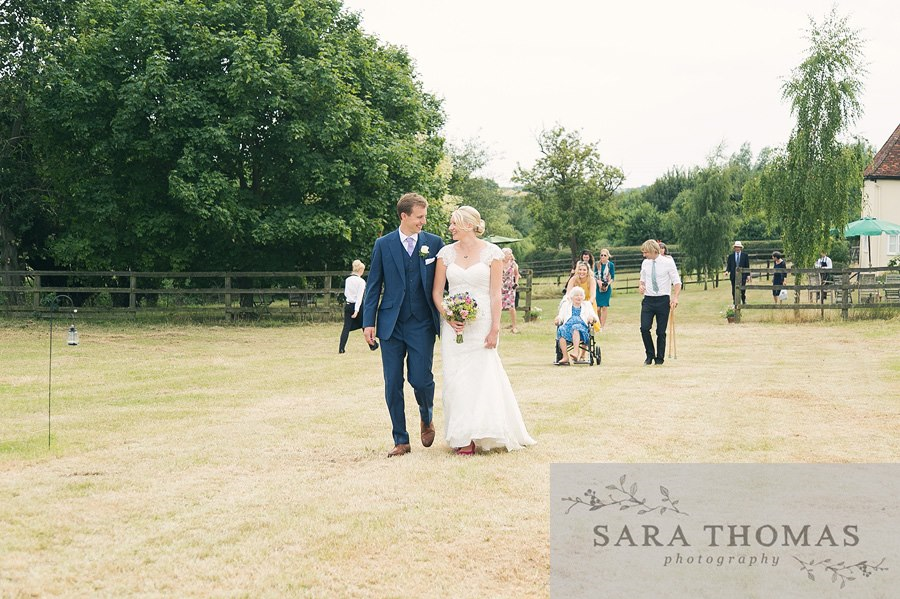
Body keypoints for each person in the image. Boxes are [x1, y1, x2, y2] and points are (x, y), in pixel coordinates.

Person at [431, 206, 535, 455]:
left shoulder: (492, 253)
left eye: (454, 223)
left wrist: (495, 328)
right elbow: (437, 292)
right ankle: (462, 437)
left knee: (483, 377)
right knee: (455, 379)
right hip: (454, 326)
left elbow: (495, 294)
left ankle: (484, 430)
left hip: (483, 324)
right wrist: (448, 316)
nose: (450, 228)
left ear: (468, 225)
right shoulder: (445, 254)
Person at [363, 193, 445, 458]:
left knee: (421, 379)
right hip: (391, 325)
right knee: (392, 383)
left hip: (422, 324)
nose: (424, 221)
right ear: (404, 216)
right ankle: (401, 439)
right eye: (419, 217)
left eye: (424, 216)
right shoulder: (383, 244)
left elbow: (446, 281)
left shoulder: (434, 243)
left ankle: (426, 416)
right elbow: (373, 285)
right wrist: (368, 322)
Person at [639, 239, 681, 365]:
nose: (644, 255)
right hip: (648, 300)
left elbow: (677, 282)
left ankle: (660, 358)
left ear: (653, 251)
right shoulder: (645, 263)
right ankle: (650, 355)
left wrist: (675, 297)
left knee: (661, 331)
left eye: (646, 252)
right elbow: (642, 279)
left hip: (663, 300)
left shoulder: (668, 262)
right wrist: (641, 286)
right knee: (644, 328)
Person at [554, 286, 598, 365]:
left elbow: (595, 317)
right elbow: (561, 316)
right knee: (561, 329)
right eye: (576, 295)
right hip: (568, 326)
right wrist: (558, 319)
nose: (579, 297)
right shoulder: (566, 305)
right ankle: (565, 357)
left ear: (583, 297)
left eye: (581, 295)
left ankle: (576, 352)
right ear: (572, 297)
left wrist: (591, 318)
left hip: (582, 328)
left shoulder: (587, 305)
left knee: (576, 327)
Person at [338, 260, 370, 353]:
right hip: (358, 305)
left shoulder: (348, 280)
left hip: (348, 304)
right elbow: (360, 297)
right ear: (360, 270)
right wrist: (356, 310)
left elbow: (346, 293)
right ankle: (372, 345)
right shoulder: (361, 281)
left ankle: (341, 348)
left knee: (346, 327)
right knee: (364, 325)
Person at [594, 249, 615, 331]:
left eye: (605, 255)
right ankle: (598, 323)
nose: (603, 257)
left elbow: (612, 277)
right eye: (601, 255)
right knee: (598, 308)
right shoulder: (597, 264)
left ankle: (602, 326)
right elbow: (595, 275)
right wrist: (599, 282)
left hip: (606, 288)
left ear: (608, 256)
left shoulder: (610, 265)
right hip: (598, 287)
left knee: (604, 307)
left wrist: (607, 284)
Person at [501, 247, 521, 333]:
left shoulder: (513, 264)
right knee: (497, 307)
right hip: (500, 287)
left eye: (510, 253)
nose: (510, 255)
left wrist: (516, 282)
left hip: (510, 288)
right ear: (504, 255)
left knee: (512, 307)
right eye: (509, 254)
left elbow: (517, 274)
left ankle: (514, 327)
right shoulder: (499, 263)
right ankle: (496, 326)